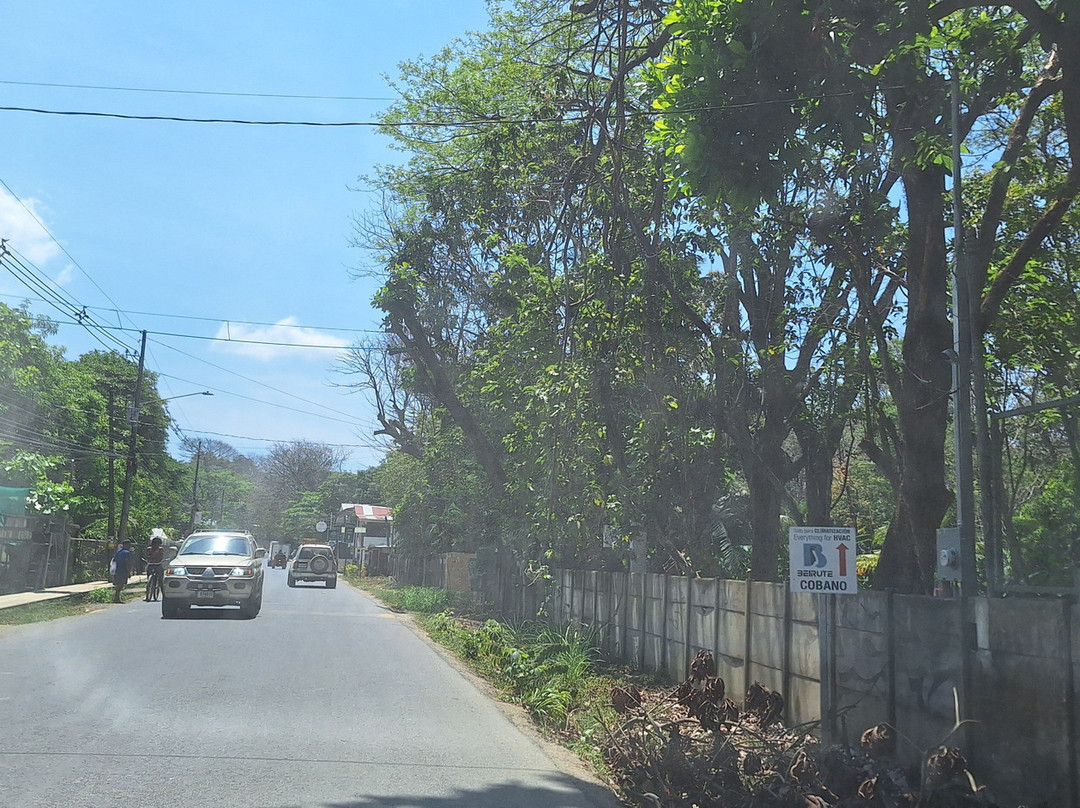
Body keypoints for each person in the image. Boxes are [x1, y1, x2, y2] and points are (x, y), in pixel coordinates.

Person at [144, 536, 165, 601]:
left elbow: (161, 557)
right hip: (151, 565)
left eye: (158, 544)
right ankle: (147, 595)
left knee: (160, 580)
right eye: (155, 543)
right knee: (149, 578)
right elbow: (147, 556)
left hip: (158, 565)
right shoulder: (149, 549)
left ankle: (164, 595)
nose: (156, 545)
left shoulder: (160, 549)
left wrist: (156, 558)